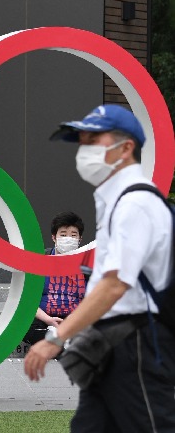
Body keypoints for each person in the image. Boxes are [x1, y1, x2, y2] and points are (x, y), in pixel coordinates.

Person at [24, 104, 175, 431]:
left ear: (126, 148)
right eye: (82, 140)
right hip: (112, 342)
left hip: (137, 343)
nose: (84, 149)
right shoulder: (117, 200)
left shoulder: (135, 203)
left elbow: (114, 285)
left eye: (94, 139)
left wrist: (57, 337)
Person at [22, 211, 87, 345]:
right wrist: (47, 319)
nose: (68, 238)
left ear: (80, 239)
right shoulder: (39, 261)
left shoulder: (89, 265)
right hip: (44, 318)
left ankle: (56, 340)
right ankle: (65, 340)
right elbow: (28, 299)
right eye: (63, 234)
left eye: (73, 235)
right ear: (54, 237)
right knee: (23, 326)